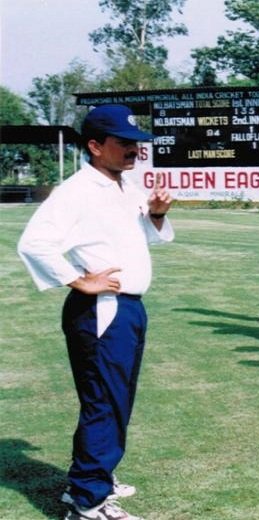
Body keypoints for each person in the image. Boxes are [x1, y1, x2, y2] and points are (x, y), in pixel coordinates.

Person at [18, 104, 174, 520]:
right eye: (123, 143)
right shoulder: (77, 190)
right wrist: (79, 279)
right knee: (103, 401)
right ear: (94, 145)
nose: (134, 151)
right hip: (102, 308)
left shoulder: (125, 186)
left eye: (137, 144)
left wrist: (156, 214)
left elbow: (148, 237)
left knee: (116, 398)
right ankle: (88, 500)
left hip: (129, 308)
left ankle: (94, 477)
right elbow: (34, 243)